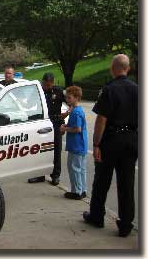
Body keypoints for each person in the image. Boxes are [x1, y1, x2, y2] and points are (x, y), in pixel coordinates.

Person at [83, 54, 138, 237]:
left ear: (112, 69)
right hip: (131, 139)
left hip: (111, 141)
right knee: (127, 183)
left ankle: (97, 216)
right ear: (128, 69)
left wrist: (96, 144)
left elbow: (101, 120)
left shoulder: (109, 89)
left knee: (102, 181)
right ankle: (126, 224)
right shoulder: (138, 90)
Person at [41, 72, 70, 186]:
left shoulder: (58, 91)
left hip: (57, 122)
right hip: (44, 123)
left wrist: (67, 113)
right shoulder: (40, 91)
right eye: (45, 84)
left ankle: (55, 175)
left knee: (57, 150)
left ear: (52, 83)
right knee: (42, 149)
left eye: (49, 85)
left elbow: (71, 101)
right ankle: (40, 174)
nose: (47, 87)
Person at [60, 86, 88, 200]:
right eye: (66, 97)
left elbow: (77, 129)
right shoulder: (77, 110)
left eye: (69, 98)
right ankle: (82, 189)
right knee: (81, 168)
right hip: (81, 145)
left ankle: (76, 191)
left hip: (76, 145)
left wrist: (64, 129)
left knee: (74, 168)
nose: (67, 100)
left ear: (76, 98)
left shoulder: (76, 112)